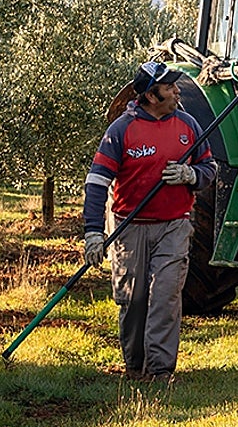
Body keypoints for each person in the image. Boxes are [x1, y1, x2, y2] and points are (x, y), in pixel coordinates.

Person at [82, 60, 217, 384]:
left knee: (166, 295)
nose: (175, 91)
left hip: (174, 225)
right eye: (169, 87)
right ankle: (135, 366)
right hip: (130, 227)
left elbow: (209, 168)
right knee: (135, 299)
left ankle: (160, 371)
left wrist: (191, 175)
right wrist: (93, 234)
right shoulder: (122, 130)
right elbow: (97, 182)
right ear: (151, 95)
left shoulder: (188, 126)